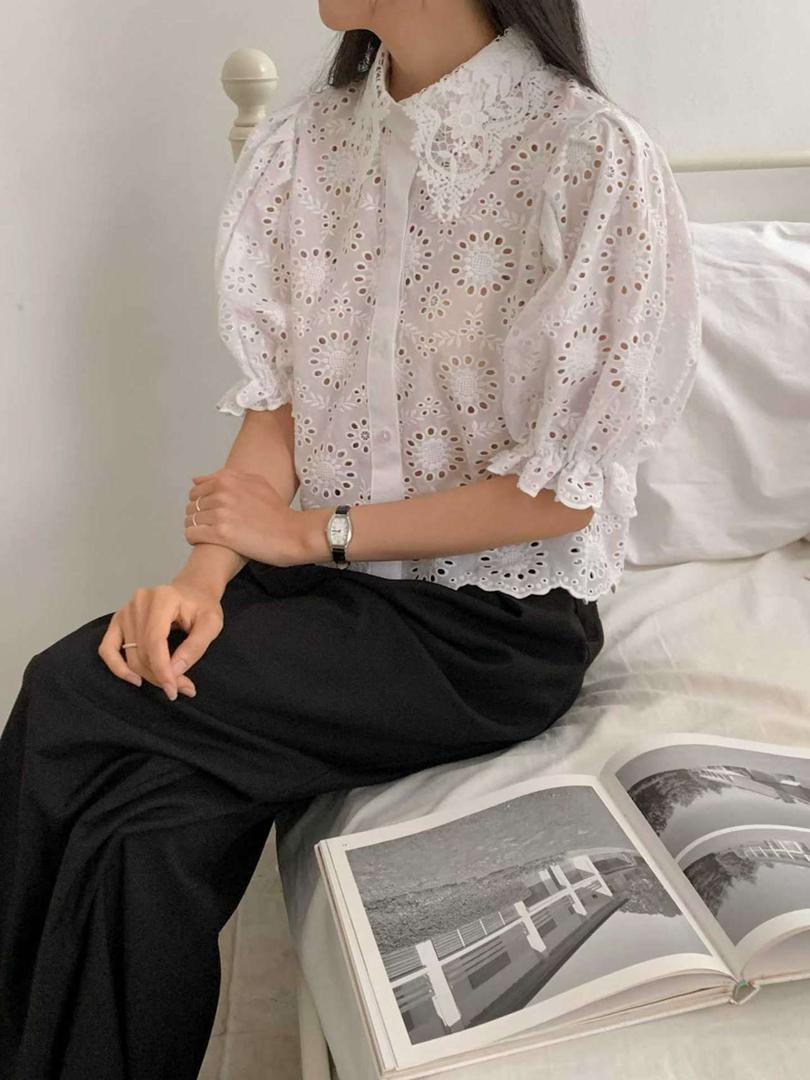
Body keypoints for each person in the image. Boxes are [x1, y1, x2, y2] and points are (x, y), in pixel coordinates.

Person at [0, 1, 701, 1076]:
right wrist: (202, 580)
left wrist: (307, 536)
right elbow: (279, 415)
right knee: (141, 827)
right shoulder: (310, 143)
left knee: (68, 694)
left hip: (490, 631)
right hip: (331, 596)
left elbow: (558, 496)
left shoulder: (588, 156)